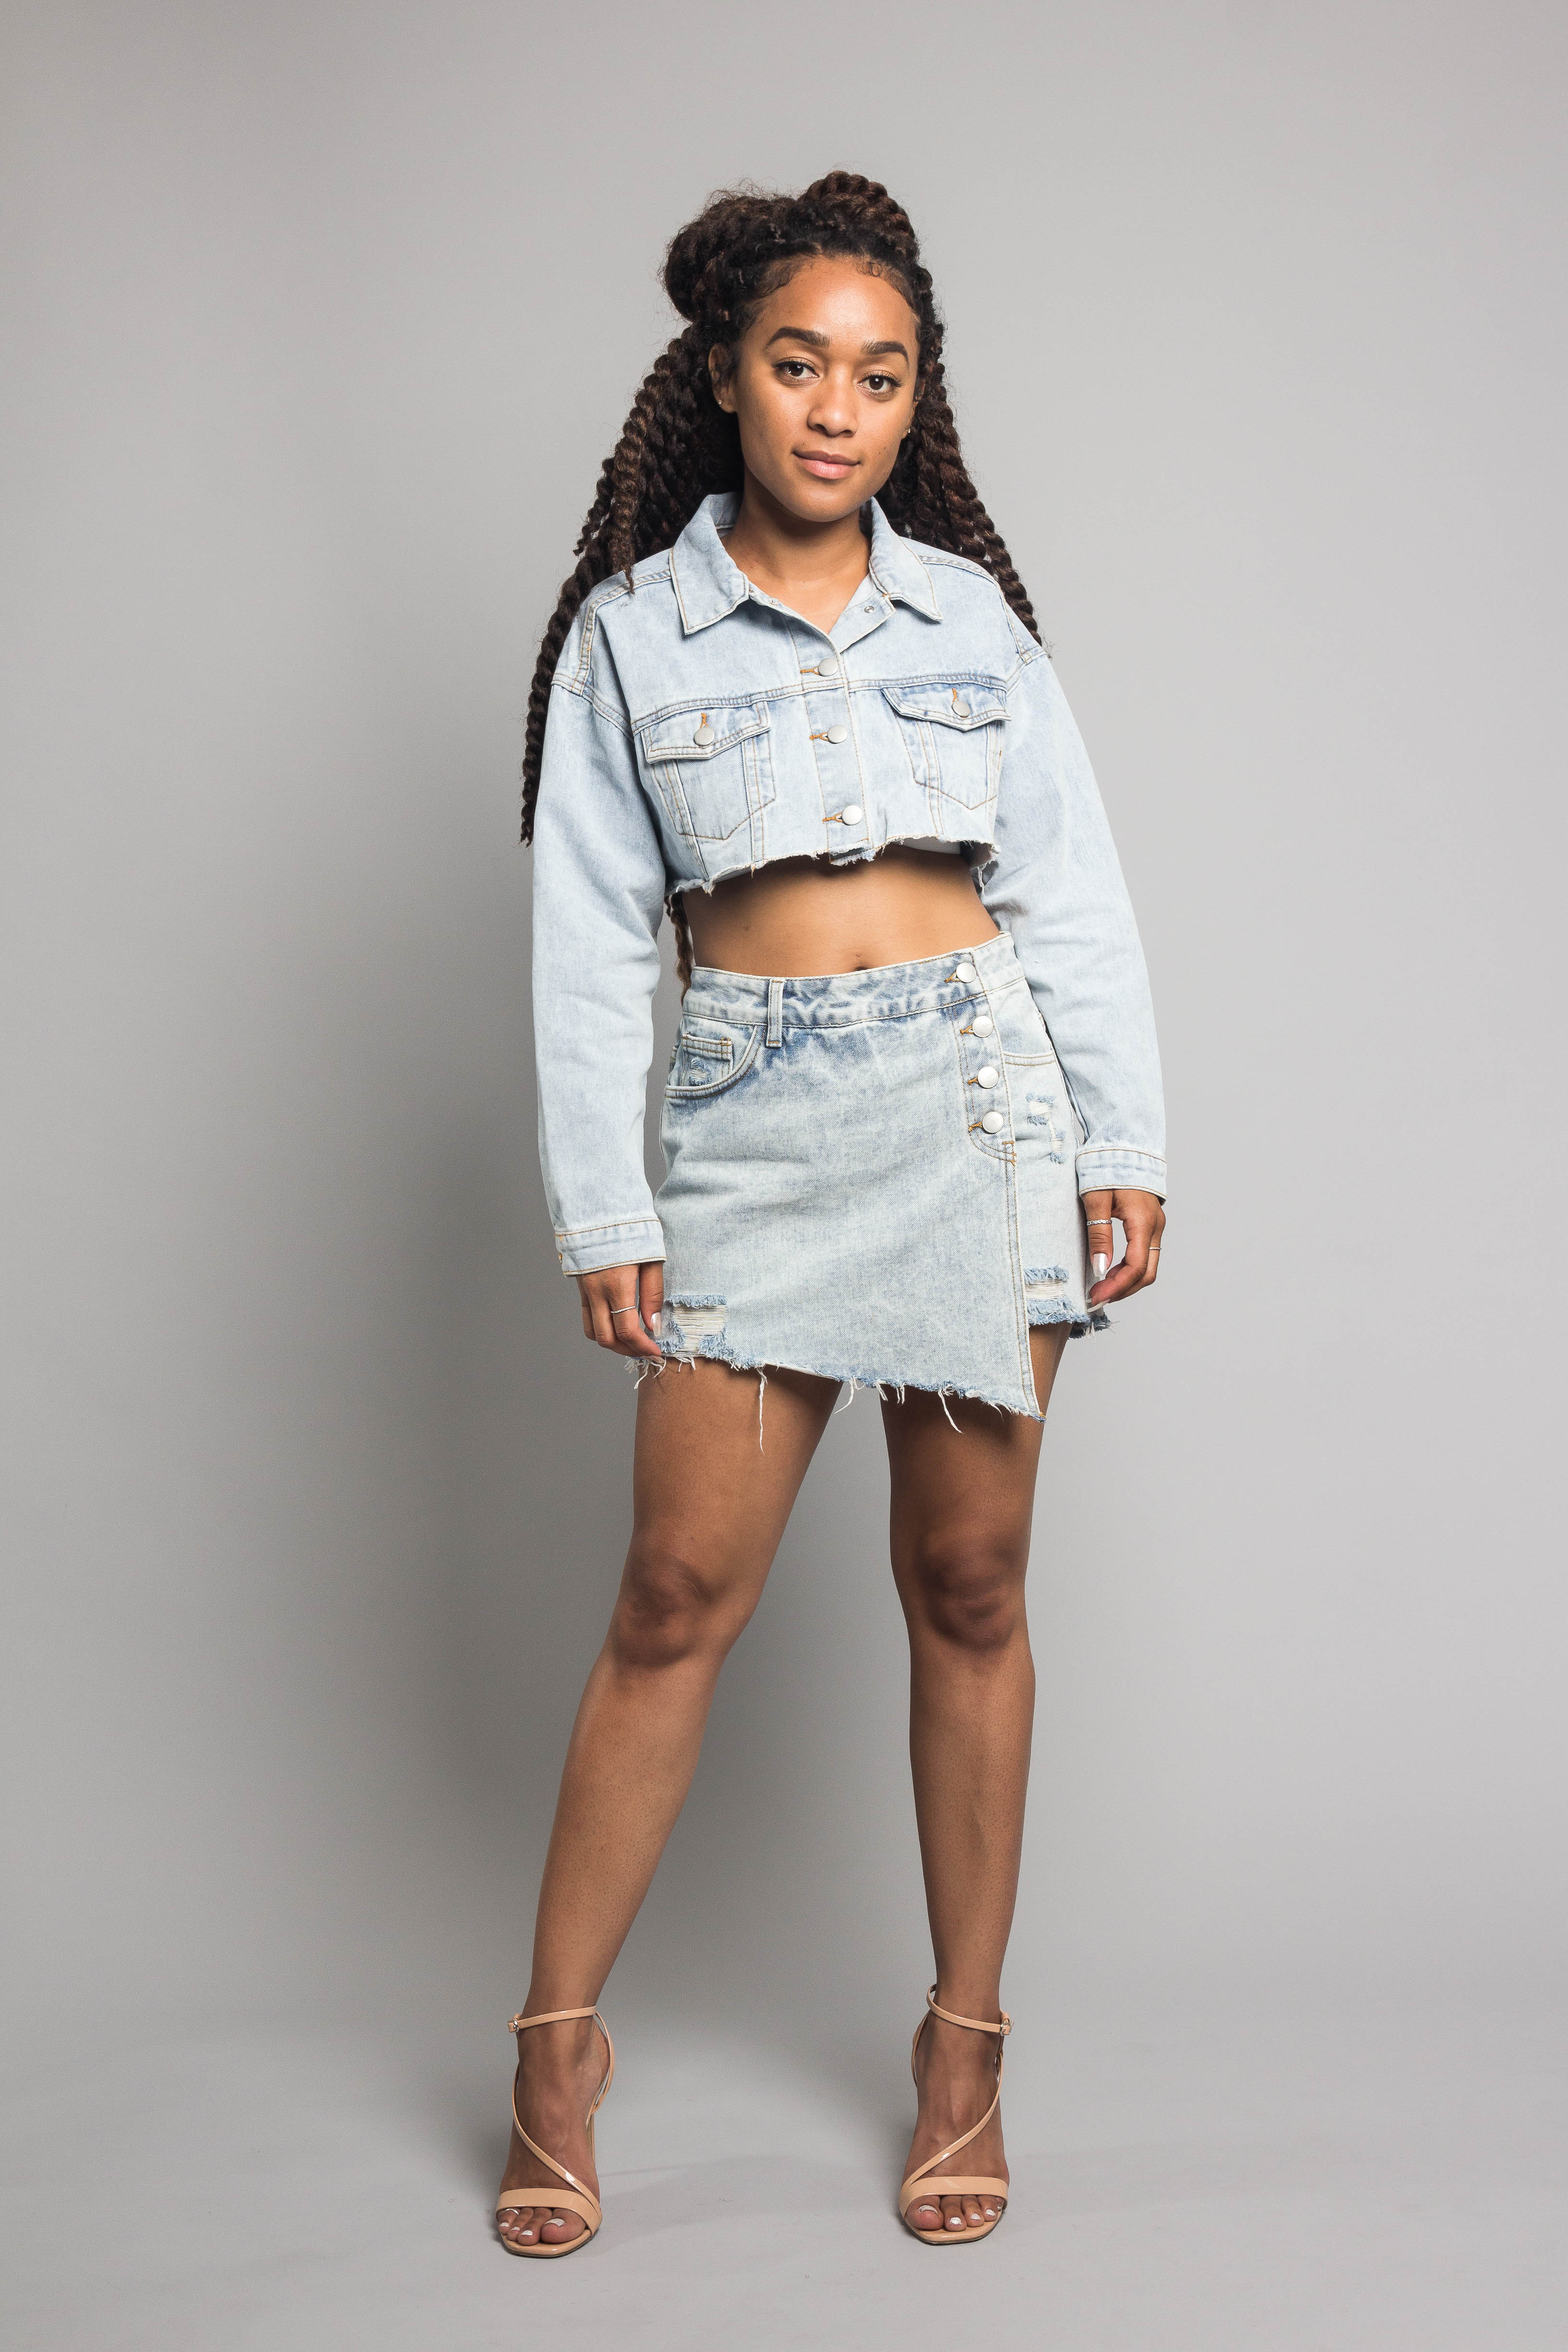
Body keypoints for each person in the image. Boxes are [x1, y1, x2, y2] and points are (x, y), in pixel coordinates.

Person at [496, 172, 1165, 2257]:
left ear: (913, 400)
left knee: (971, 1586)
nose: (838, 410)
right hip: (751, 1128)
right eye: (801, 366)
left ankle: (964, 2050)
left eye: (881, 378)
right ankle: (555, 2053)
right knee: (674, 1595)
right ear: (727, 374)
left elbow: (1071, 898)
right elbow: (590, 944)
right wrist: (604, 1198)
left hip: (979, 1102)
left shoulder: (973, 620)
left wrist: (1125, 1142)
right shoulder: (631, 635)